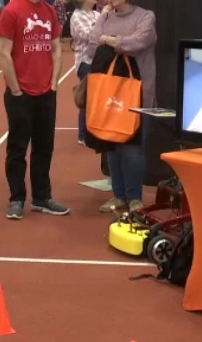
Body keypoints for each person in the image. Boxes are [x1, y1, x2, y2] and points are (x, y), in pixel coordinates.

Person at [0, 0, 69, 220]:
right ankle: (16, 198)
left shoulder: (48, 11)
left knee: (44, 147)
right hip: (20, 94)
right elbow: (3, 52)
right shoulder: (12, 10)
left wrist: (54, 83)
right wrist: (16, 90)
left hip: (46, 93)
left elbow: (57, 49)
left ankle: (41, 197)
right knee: (18, 148)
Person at [87, 0, 156, 213]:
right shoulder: (106, 16)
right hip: (109, 92)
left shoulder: (145, 17)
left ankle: (134, 197)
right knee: (112, 145)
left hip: (138, 93)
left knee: (133, 148)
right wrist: (104, 20)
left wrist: (107, 40)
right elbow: (91, 45)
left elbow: (138, 43)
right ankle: (118, 196)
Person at [70, 0, 98, 145]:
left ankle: (93, 130)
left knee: (96, 98)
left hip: (98, 61)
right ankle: (83, 134)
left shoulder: (96, 14)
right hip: (85, 61)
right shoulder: (77, 16)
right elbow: (89, 35)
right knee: (87, 98)